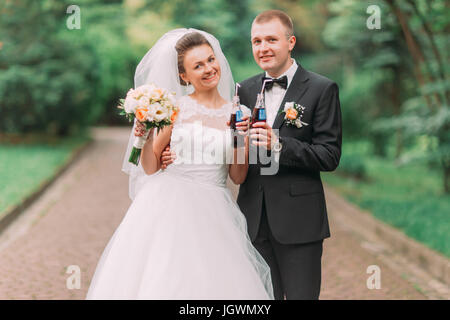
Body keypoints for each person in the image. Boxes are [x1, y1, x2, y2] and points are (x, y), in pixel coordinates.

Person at [86, 29, 273, 299]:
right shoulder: (174, 109)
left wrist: (239, 139)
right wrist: (146, 133)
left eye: (211, 60)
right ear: (184, 76)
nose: (209, 69)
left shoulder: (240, 113)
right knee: (164, 277)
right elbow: (149, 166)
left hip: (214, 208)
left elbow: (238, 177)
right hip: (167, 204)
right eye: (198, 65)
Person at [237, 10, 342, 300]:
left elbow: (329, 155)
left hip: (300, 221)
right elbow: (238, 153)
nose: (263, 48)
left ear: (291, 41)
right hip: (253, 220)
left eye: (271, 39)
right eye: (256, 41)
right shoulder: (243, 90)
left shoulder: (322, 89)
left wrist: (279, 143)